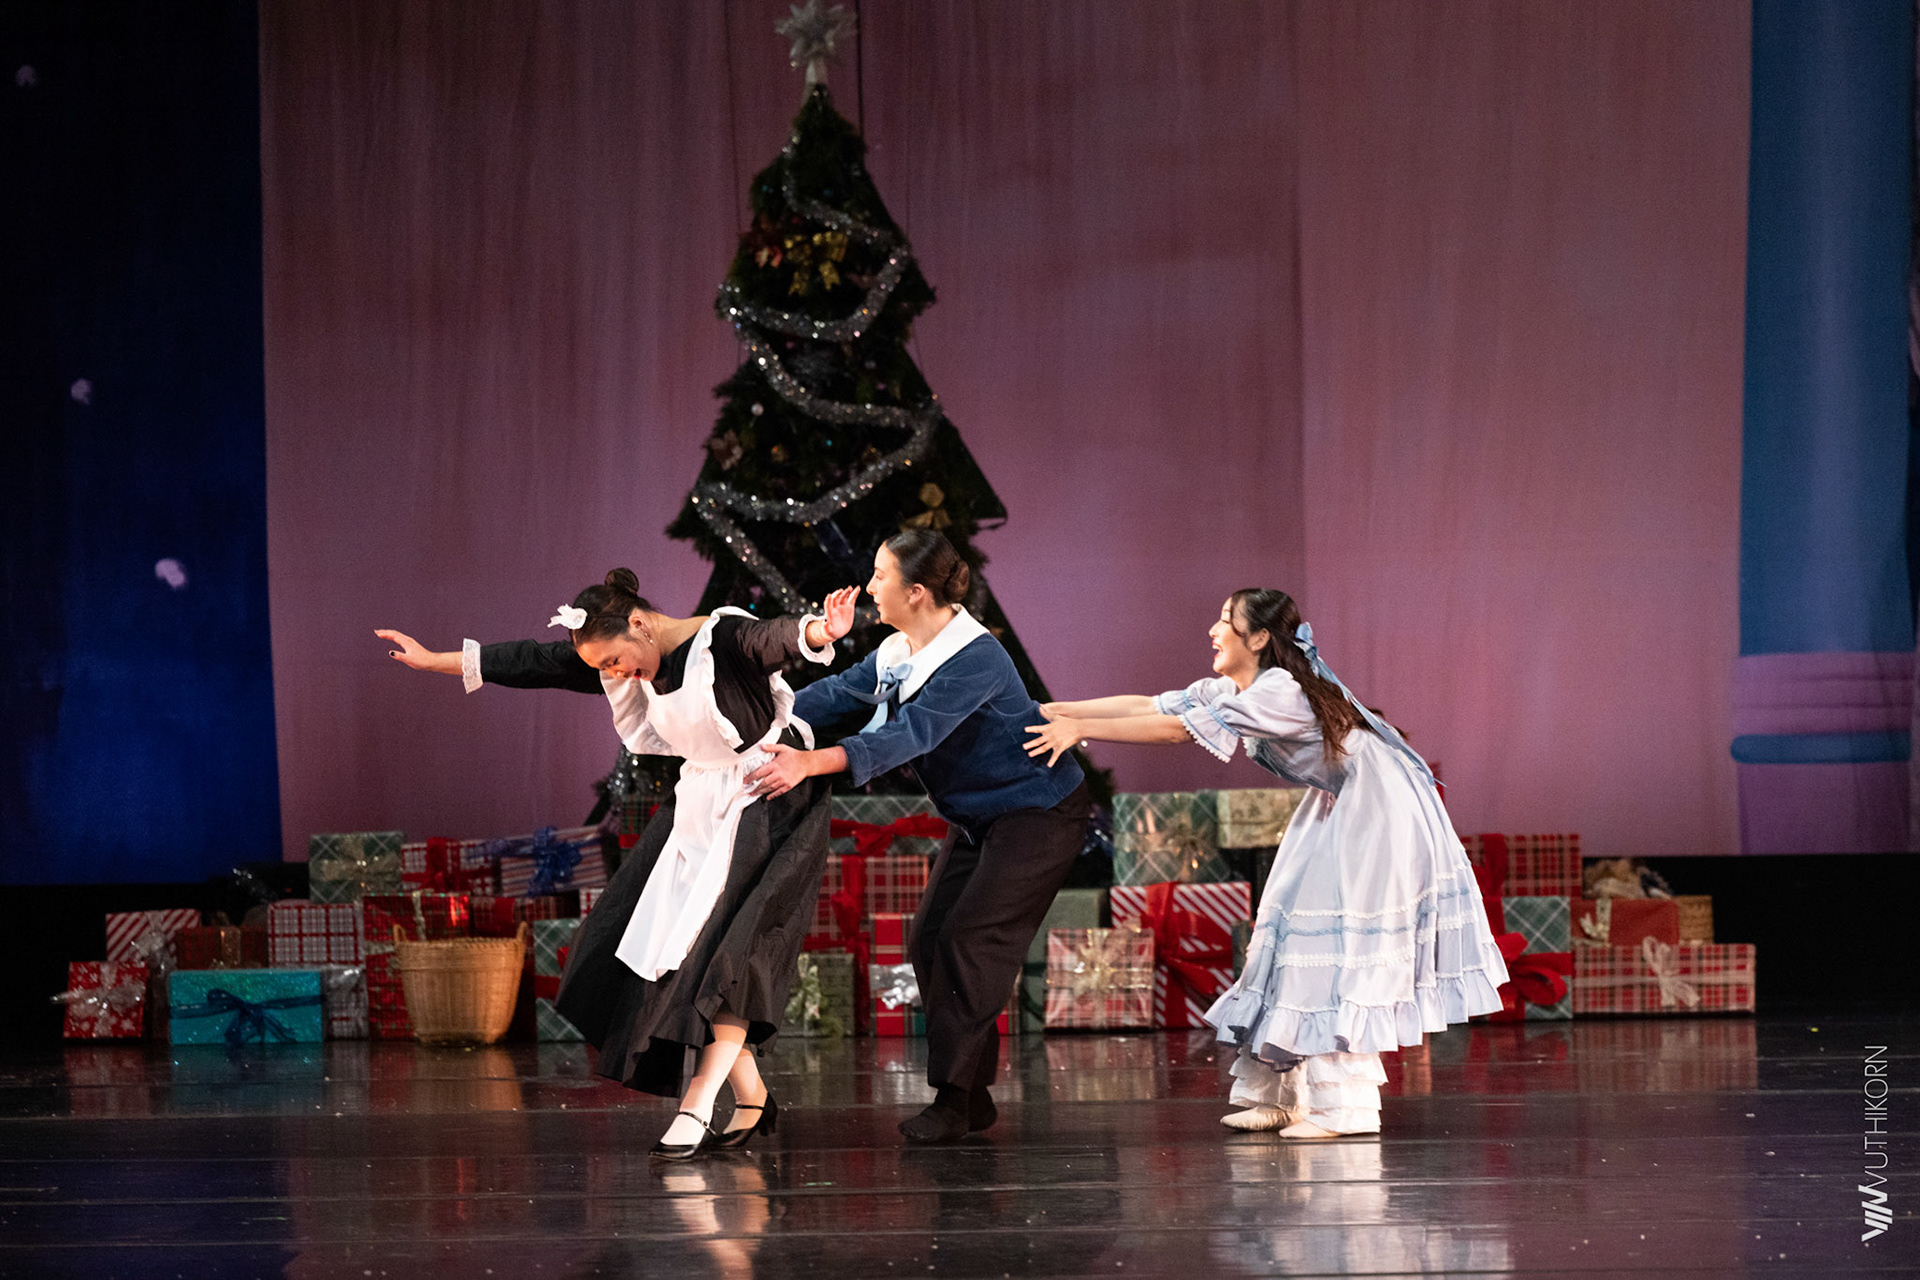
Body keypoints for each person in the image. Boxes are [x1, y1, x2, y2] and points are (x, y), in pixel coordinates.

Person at [375, 572, 859, 1159]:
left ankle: (697, 1102)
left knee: (732, 957)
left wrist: (819, 629)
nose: (617, 674)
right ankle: (753, 1096)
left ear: (639, 623)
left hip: (772, 800)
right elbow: (534, 660)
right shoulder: (623, 660)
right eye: (604, 667)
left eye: (615, 660)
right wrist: (435, 661)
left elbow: (774, 637)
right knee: (664, 949)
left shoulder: (724, 638)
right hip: (702, 804)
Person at [1024, 588, 1508, 1138]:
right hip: (1341, 800)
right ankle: (1282, 1096)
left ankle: (1343, 1108)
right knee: (1283, 931)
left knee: (1330, 948)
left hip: (1378, 807)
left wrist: (1080, 730)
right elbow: (1151, 706)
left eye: (1225, 620)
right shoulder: (1236, 689)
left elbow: (1178, 731)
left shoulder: (1278, 690)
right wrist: (1059, 712)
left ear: (1257, 638)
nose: (1213, 630)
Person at [744, 529, 1092, 1143]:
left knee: (968, 939)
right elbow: (840, 693)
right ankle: (972, 1097)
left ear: (917, 592)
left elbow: (908, 736)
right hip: (981, 817)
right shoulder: (900, 648)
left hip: (1039, 813)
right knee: (929, 937)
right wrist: (761, 718)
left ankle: (953, 1100)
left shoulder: (975, 658)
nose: (870, 586)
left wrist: (809, 762)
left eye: (881, 576)